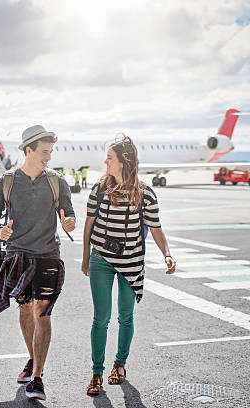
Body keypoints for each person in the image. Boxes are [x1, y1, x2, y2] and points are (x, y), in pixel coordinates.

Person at [0, 125, 76, 401]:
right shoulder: (7, 180)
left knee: (42, 313)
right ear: (28, 150)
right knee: (25, 311)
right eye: (44, 151)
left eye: (50, 151)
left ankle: (37, 377)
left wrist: (68, 221)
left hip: (48, 255)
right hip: (17, 256)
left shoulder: (56, 180)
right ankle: (32, 359)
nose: (49, 156)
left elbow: (68, 212)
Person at [81, 136, 176, 396]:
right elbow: (88, 224)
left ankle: (120, 365)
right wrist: (86, 256)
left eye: (109, 157)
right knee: (101, 318)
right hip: (101, 259)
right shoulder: (98, 189)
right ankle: (97, 372)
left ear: (123, 161)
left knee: (126, 316)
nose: (105, 161)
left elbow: (155, 228)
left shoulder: (145, 193)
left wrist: (167, 254)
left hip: (131, 261)